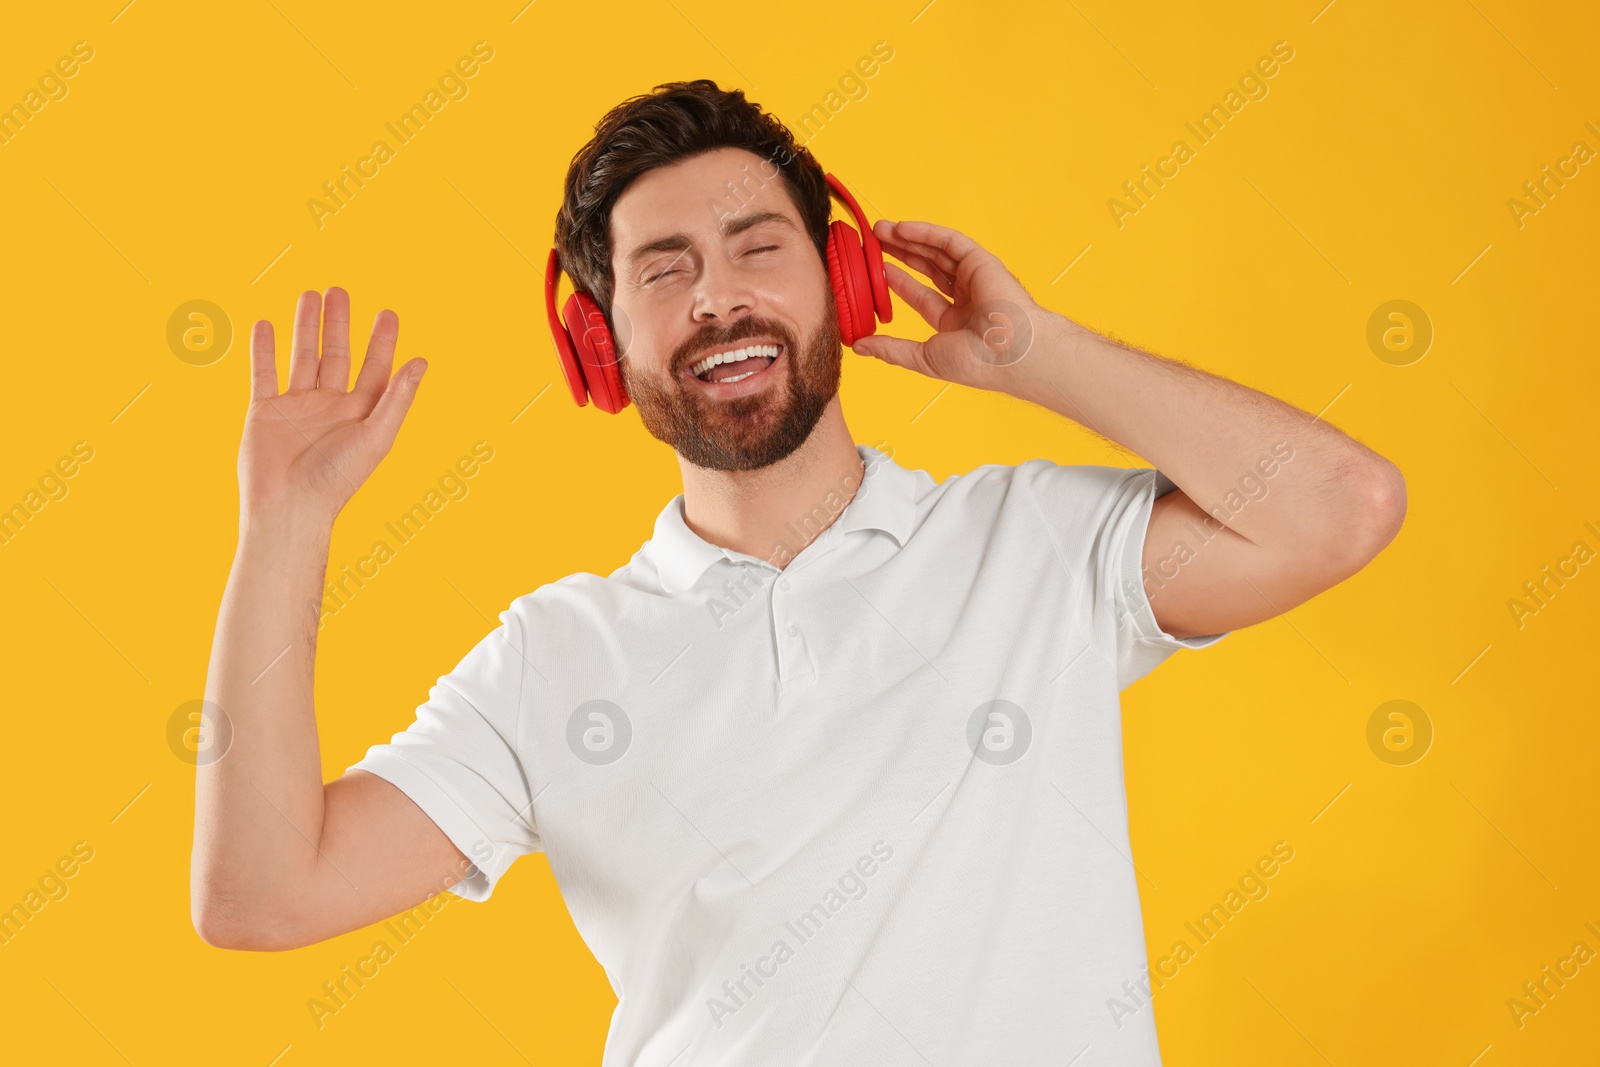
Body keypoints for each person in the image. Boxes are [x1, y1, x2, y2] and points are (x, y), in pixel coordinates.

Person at [191, 79, 1406, 1065]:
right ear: (599, 347)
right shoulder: (555, 659)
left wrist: (1039, 354)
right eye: (661, 271)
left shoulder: (1034, 547)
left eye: (757, 246)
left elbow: (1339, 511)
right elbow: (260, 894)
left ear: (845, 280)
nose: (718, 295)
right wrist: (284, 521)